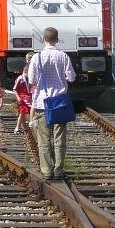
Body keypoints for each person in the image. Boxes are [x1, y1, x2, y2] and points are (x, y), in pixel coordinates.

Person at [28, 27, 76, 181]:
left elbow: (32, 80)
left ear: (44, 39)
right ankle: (58, 170)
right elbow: (72, 77)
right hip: (60, 102)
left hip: (42, 102)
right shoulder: (63, 56)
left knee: (43, 140)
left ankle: (47, 170)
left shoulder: (37, 57)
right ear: (57, 39)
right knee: (59, 139)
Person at [13, 53, 34, 134]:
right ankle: (17, 127)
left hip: (29, 97)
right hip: (22, 98)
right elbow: (15, 89)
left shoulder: (31, 78)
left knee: (30, 111)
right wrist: (18, 97)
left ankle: (29, 124)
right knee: (22, 113)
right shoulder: (20, 79)